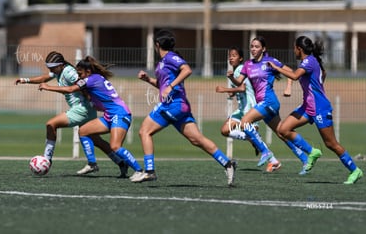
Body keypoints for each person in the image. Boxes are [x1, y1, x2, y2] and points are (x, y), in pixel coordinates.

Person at [132, 29, 236, 186]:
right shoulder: (161, 63)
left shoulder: (171, 57)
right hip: (179, 107)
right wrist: (148, 80)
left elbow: (187, 70)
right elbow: (162, 86)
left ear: (157, 44)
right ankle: (228, 164)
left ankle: (149, 171)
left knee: (144, 131)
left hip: (173, 105)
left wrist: (171, 86)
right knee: (197, 140)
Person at [15, 51, 128, 177]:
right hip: (86, 109)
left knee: (51, 124)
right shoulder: (59, 70)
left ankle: (47, 160)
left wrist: (91, 100)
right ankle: (121, 162)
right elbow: (44, 78)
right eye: (49, 68)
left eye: (52, 68)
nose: (51, 70)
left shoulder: (69, 72)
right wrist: (25, 80)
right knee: (96, 140)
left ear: (60, 65)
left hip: (81, 108)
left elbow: (82, 84)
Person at [268, 36, 363, 184]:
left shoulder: (308, 61)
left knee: (331, 144)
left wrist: (276, 68)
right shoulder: (312, 61)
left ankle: (355, 170)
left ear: (299, 49)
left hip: (320, 108)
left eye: (294, 48)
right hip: (308, 106)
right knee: (283, 129)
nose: (294, 51)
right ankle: (312, 152)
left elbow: (294, 75)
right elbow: (323, 74)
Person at [38, 56, 144, 177]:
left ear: (88, 72)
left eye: (80, 73)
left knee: (115, 146)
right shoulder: (96, 78)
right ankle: (92, 164)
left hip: (120, 114)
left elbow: (71, 89)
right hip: (110, 115)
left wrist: (48, 87)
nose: (78, 76)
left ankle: (139, 170)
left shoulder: (89, 80)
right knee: (83, 131)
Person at [227, 36, 309, 174]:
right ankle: (305, 159)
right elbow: (239, 82)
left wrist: (288, 87)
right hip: (263, 104)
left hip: (270, 102)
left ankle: (266, 153)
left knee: (244, 123)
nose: (253, 49)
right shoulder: (248, 65)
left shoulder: (270, 61)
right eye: (252, 46)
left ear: (263, 49)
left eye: (257, 46)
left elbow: (292, 73)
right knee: (282, 133)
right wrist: (231, 78)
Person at [216, 46, 281, 172]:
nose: (231, 58)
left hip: (249, 108)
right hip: (241, 110)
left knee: (226, 130)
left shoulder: (240, 69)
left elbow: (242, 88)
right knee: (224, 130)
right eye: (230, 55)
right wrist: (233, 93)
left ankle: (272, 159)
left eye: (234, 55)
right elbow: (242, 89)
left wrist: (225, 89)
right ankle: (254, 139)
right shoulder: (237, 71)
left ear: (240, 58)